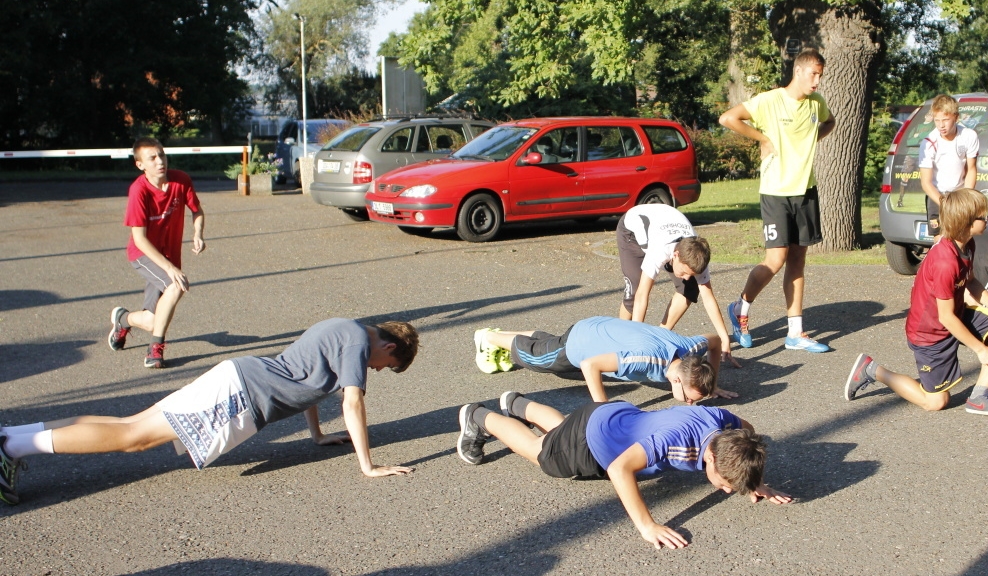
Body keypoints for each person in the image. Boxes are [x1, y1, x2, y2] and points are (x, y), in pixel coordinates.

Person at [0, 318, 420, 505]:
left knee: (130, 426)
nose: (375, 370)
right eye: (386, 367)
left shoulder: (343, 329)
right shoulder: (358, 343)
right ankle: (14, 447)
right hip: (238, 395)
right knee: (134, 439)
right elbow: (352, 400)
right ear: (389, 348)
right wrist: (367, 466)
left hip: (237, 381)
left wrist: (317, 435)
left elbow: (308, 380)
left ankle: (13, 437)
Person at [454, 392, 792, 549]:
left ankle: (516, 403)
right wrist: (647, 526)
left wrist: (753, 481)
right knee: (541, 452)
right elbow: (619, 469)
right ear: (711, 460)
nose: (728, 489)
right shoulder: (676, 442)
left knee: (559, 430)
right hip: (594, 441)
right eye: (726, 482)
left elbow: (748, 429)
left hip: (611, 414)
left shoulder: (722, 424)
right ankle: (480, 416)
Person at [843, 188, 988, 416]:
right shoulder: (944, 261)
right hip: (930, 334)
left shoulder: (967, 245)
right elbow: (944, 317)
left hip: (955, 315)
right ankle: (872, 370)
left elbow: (970, 282)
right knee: (936, 402)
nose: (987, 220)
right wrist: (980, 350)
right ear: (967, 222)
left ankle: (979, 396)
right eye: (982, 217)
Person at [719, 48, 836, 353]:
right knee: (776, 259)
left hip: (805, 191)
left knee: (798, 261)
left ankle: (795, 333)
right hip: (776, 191)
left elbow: (830, 123)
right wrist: (763, 139)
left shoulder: (816, 103)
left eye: (820, 74)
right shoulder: (770, 101)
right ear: (798, 71)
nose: (817, 80)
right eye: (813, 73)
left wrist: (810, 139)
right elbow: (728, 117)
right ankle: (740, 309)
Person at [107, 138, 206, 369]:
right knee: (176, 285)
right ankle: (155, 350)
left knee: (153, 321)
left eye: (161, 155)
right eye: (152, 158)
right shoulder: (138, 191)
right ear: (140, 165)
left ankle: (123, 319)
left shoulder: (181, 180)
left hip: (168, 255)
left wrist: (198, 233)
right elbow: (139, 239)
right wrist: (171, 269)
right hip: (143, 254)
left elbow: (197, 210)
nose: (160, 161)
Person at [473, 317, 734, 402]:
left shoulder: (690, 350)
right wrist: (603, 408)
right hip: (583, 343)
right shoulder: (646, 362)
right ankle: (488, 338)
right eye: (690, 397)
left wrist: (715, 383)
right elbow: (590, 365)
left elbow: (714, 341)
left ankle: (503, 339)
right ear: (676, 379)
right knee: (539, 358)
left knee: (547, 345)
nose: (690, 403)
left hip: (602, 329)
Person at [616, 204, 738, 366]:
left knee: (690, 289)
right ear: (675, 255)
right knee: (635, 289)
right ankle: (620, 341)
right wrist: (639, 342)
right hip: (632, 231)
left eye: (691, 274)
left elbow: (708, 297)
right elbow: (642, 296)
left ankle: (659, 336)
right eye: (685, 271)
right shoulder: (660, 250)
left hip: (665, 224)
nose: (687, 277)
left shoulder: (698, 255)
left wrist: (724, 337)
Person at [918, 94, 979, 232]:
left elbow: (971, 169)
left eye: (945, 120)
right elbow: (926, 183)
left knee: (962, 238)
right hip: (937, 196)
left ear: (956, 118)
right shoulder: (928, 143)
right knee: (940, 241)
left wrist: (966, 197)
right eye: (937, 120)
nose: (941, 125)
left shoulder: (969, 136)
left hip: (960, 195)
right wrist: (945, 205)